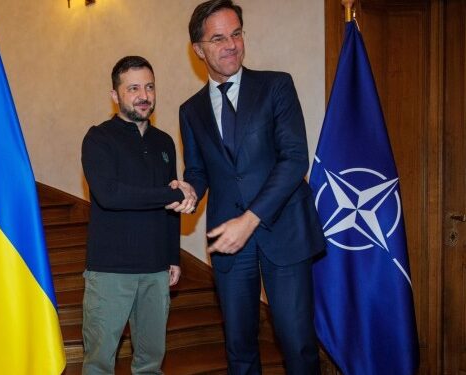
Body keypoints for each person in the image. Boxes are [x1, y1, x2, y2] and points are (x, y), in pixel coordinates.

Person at [179, 1, 326, 374]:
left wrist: (251, 218)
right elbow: (200, 169)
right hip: (229, 242)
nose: (231, 44)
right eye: (218, 38)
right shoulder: (190, 110)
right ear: (199, 49)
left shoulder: (276, 86)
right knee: (240, 348)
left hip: (284, 231)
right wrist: (190, 190)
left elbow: (294, 159)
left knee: (298, 344)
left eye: (236, 33)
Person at [80, 55, 196, 375]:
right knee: (99, 364)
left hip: (156, 271)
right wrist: (172, 193)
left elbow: (170, 207)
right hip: (110, 273)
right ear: (115, 96)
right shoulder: (99, 138)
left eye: (149, 87)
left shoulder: (165, 142)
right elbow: (110, 195)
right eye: (132, 88)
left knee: (150, 364)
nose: (143, 95)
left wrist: (173, 256)